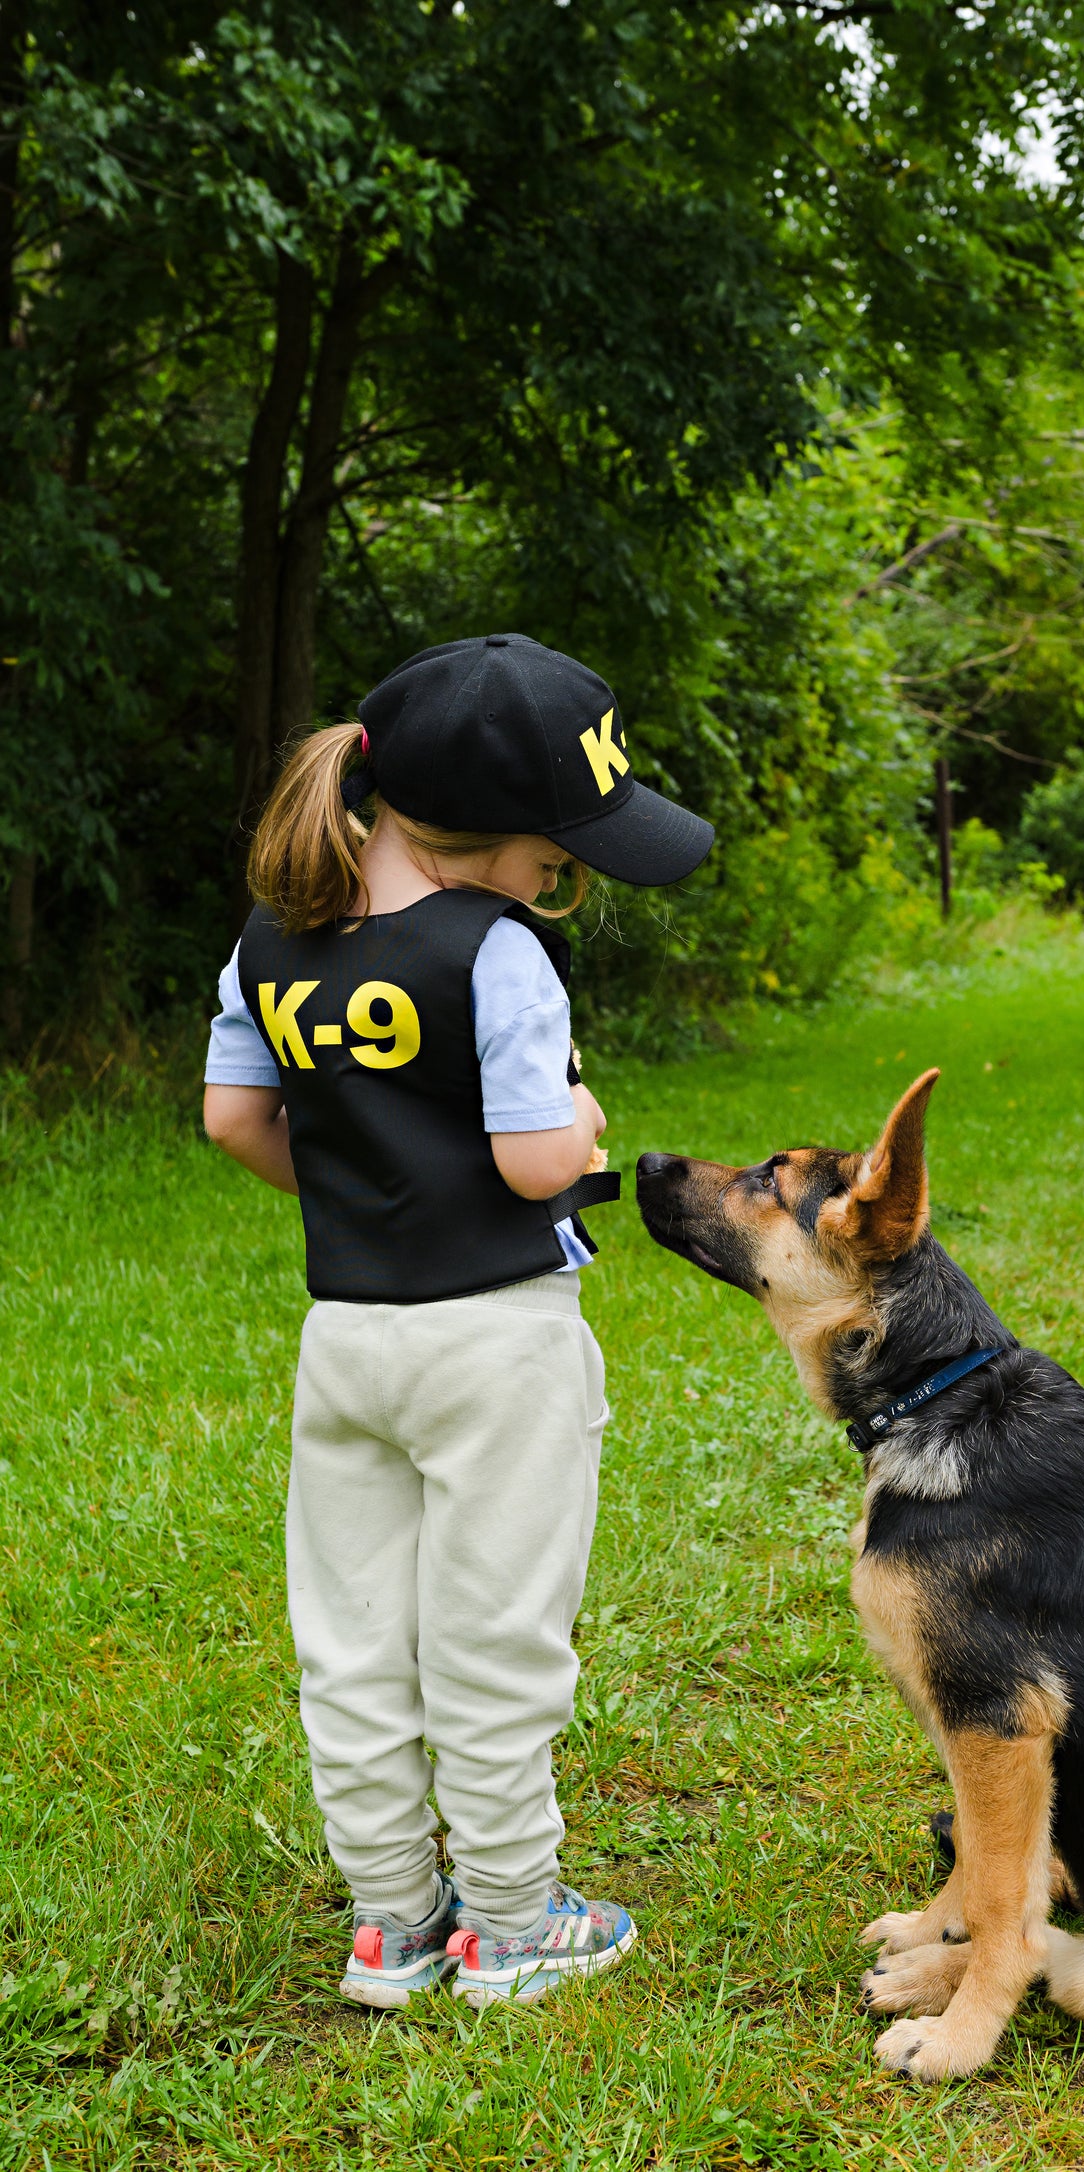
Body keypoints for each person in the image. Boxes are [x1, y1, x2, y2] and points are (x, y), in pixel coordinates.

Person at [202, 635, 713, 2009]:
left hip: (347, 1341)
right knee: (493, 1635)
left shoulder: (269, 937)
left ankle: (392, 1923)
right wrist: (588, 1126)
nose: (576, 875)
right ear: (493, 840)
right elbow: (536, 1161)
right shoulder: (500, 951)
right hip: (495, 1345)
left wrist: (377, 1188)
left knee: (355, 1638)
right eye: (564, 847)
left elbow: (233, 1120)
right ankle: (508, 1920)